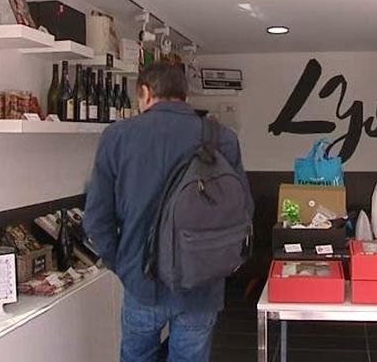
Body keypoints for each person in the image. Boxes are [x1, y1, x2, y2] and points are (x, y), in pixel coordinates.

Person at [83, 62, 254, 362]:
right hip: (203, 283)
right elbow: (243, 210)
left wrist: (123, 264)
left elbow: (97, 218)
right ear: (185, 95)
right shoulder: (220, 137)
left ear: (146, 93)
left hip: (141, 280)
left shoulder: (118, 136)